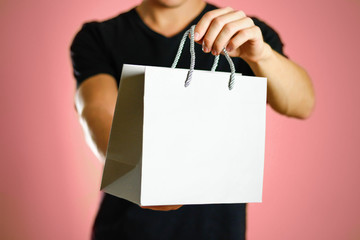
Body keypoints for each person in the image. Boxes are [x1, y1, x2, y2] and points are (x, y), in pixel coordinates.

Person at [70, 0, 315, 239]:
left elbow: (302, 104)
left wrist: (262, 55)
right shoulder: (99, 36)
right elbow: (97, 110)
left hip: (219, 229)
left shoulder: (243, 32)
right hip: (126, 227)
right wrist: (140, 177)